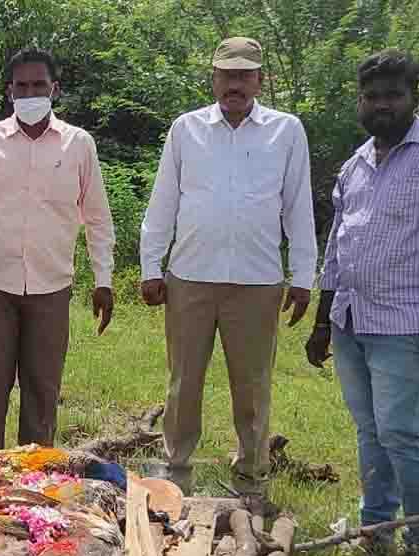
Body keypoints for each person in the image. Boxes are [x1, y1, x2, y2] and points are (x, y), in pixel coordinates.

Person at [306, 50, 419, 556]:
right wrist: (322, 321)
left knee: (404, 434)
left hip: (407, 325)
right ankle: (377, 528)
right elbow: (337, 246)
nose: (381, 105)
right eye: (371, 97)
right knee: (370, 431)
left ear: (414, 98)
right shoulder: (357, 162)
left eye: (393, 95)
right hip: (352, 319)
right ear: (359, 102)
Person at [139, 37, 317, 495]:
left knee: (253, 385)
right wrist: (150, 267)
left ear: (260, 79)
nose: (235, 84)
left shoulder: (287, 131)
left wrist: (302, 277)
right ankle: (176, 469)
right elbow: (163, 202)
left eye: (244, 75)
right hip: (190, 276)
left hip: (257, 281)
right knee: (183, 381)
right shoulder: (187, 129)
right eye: (227, 74)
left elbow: (298, 207)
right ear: (214, 78)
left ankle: (252, 476)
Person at [0, 47, 116, 451]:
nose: (30, 93)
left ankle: (31, 486)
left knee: (42, 391)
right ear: (9, 92)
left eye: (38, 85)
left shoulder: (78, 144)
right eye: (21, 86)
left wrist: (104, 279)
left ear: (54, 89)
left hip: (51, 287)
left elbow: (96, 217)